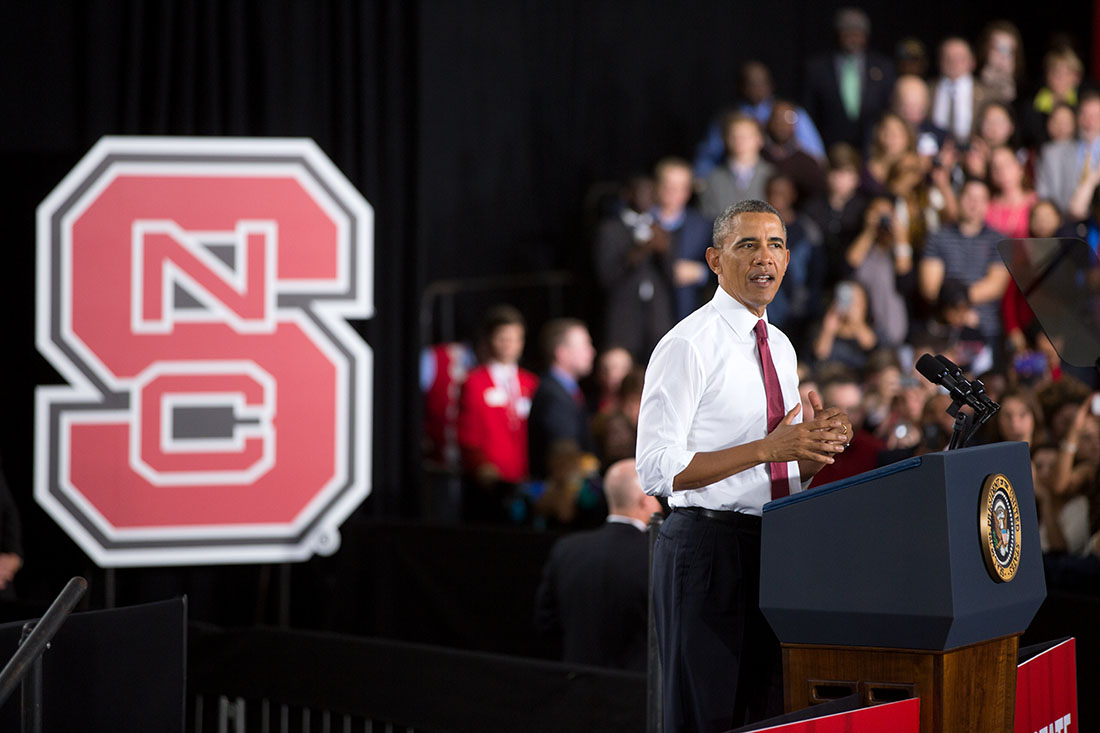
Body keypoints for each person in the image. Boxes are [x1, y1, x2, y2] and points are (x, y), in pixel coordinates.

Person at [637, 200, 851, 731]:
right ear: (714, 259)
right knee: (706, 718)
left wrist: (813, 453)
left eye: (776, 244)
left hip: (774, 548)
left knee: (767, 716)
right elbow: (656, 468)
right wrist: (768, 448)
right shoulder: (687, 344)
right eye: (747, 245)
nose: (765, 258)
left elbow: (775, 472)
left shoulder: (779, 345)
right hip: (706, 552)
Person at [534, 458, 662, 672]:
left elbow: (546, 623)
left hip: (576, 684)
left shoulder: (567, 549)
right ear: (645, 500)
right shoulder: (657, 555)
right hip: (636, 691)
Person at [456, 305, 539, 522]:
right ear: (490, 340)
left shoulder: (530, 383)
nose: (509, 345)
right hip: (490, 485)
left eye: (516, 339)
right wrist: (480, 466)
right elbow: (467, 434)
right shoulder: (474, 382)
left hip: (526, 480)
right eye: (503, 338)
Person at [694, 61, 826, 179]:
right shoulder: (726, 118)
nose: (757, 88)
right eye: (751, 83)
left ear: (771, 85)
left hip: (783, 181)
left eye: (761, 83)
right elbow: (708, 157)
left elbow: (815, 154)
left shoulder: (788, 112)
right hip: (736, 180)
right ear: (740, 86)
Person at [918, 178, 1010, 348]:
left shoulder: (998, 240)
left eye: (980, 199)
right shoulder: (938, 237)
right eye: (969, 197)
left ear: (987, 204)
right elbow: (930, 288)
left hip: (986, 328)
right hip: (943, 330)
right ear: (959, 198)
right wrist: (959, 310)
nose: (974, 204)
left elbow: (996, 285)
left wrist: (959, 303)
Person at [594, 175, 675, 363]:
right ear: (627, 195)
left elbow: (670, 276)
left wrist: (663, 251)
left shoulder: (659, 228)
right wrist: (644, 248)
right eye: (642, 192)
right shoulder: (610, 230)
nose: (648, 198)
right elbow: (607, 276)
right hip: (624, 316)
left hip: (657, 315)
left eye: (651, 193)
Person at [803, 7, 896, 149]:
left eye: (858, 32)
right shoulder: (817, 68)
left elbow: (889, 107)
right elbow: (809, 112)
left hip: (873, 146)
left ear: (866, 35)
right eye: (847, 31)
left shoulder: (883, 67)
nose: (852, 37)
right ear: (838, 34)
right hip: (829, 145)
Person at [527, 318, 597, 481]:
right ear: (562, 353)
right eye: (585, 345)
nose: (592, 351)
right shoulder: (553, 395)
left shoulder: (564, 390)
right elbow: (564, 453)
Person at [652, 157, 714, 320]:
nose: (673, 193)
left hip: (686, 313)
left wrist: (700, 272)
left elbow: (721, 270)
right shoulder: (643, 221)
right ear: (657, 187)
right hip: (648, 315)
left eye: (679, 188)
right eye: (668, 186)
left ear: (688, 192)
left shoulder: (702, 226)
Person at [700, 113, 776, 219]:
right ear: (726, 140)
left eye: (746, 136)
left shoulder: (772, 176)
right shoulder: (713, 179)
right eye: (734, 136)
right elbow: (707, 218)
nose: (740, 141)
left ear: (759, 140)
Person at [1037, 91, 1100, 213]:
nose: (1090, 122)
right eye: (1085, 115)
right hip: (1063, 224)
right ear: (1077, 118)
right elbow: (1044, 196)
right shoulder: (1052, 153)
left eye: (1096, 116)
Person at [930, 37, 985, 144]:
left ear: (972, 61)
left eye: (959, 58)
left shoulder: (988, 93)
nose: (953, 62)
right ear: (939, 61)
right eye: (947, 58)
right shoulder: (927, 90)